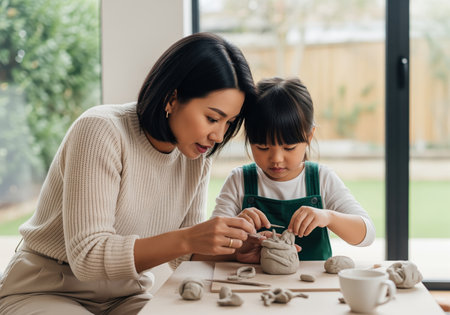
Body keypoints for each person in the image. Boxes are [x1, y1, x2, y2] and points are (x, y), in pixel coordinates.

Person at [0, 32, 258, 314]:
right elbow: (87, 257)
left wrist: (233, 248)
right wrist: (190, 236)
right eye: (212, 118)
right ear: (172, 98)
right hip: (47, 289)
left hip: (125, 294)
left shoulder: (195, 156)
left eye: (229, 123)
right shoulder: (100, 131)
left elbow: (182, 255)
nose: (219, 135)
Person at [212, 77, 376, 261]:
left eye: (289, 148)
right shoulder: (239, 180)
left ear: (309, 136)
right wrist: (237, 234)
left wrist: (328, 217)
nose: (276, 159)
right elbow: (209, 248)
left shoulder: (322, 178)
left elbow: (367, 235)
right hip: (256, 286)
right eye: (263, 148)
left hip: (312, 287)